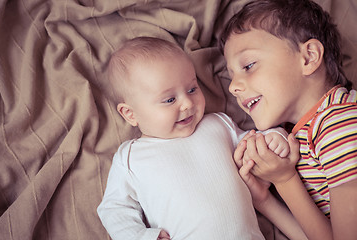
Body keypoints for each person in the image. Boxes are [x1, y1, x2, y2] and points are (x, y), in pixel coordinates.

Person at [97, 36, 301, 240]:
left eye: (192, 89)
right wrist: (141, 236)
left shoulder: (218, 124)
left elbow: (253, 145)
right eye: (169, 99)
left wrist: (274, 137)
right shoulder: (131, 157)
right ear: (130, 114)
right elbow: (114, 209)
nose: (187, 103)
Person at [220, 0, 357, 239]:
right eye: (231, 75)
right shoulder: (302, 132)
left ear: (308, 57)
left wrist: (285, 179)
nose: (233, 87)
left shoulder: (340, 122)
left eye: (249, 65)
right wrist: (264, 200)